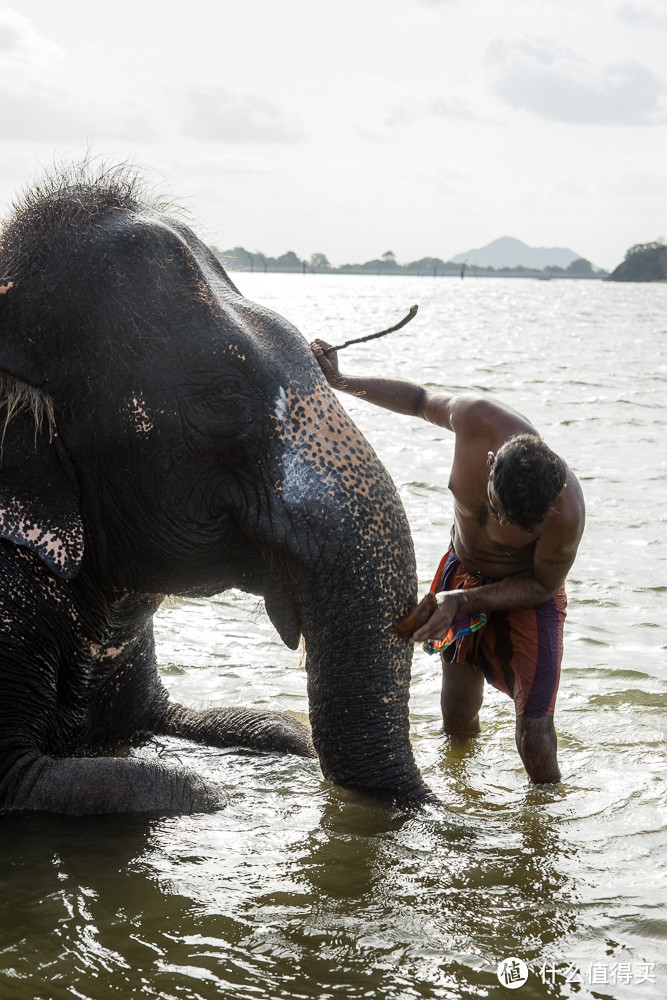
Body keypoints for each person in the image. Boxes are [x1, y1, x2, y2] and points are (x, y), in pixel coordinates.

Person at [310, 340, 585, 784]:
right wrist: (339, 382)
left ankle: (545, 830)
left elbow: (541, 587)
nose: (497, 525)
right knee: (456, 712)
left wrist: (461, 601)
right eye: (495, 508)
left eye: (513, 524)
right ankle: (462, 795)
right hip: (461, 570)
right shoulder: (475, 418)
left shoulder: (566, 513)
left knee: (534, 729)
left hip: (525, 591)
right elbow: (418, 401)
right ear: (491, 461)